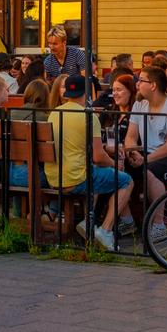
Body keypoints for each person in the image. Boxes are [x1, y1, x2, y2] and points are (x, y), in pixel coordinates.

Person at [44, 74, 133, 251]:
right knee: (126, 180)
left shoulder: (55, 113)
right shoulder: (88, 116)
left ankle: (89, 222)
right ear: (87, 92)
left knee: (99, 172)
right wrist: (115, 164)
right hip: (77, 178)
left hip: (54, 176)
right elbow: (98, 156)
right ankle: (106, 230)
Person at [124, 66, 167, 234]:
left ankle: (159, 224)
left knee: (149, 171)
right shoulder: (139, 104)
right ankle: (127, 219)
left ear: (153, 85)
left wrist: (145, 160)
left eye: (141, 80)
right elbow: (130, 136)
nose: (137, 84)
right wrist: (133, 152)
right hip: (145, 153)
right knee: (116, 166)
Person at [100, 73, 136, 155]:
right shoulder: (108, 110)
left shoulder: (136, 113)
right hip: (106, 158)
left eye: (119, 90)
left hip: (129, 159)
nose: (114, 93)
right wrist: (105, 147)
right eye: (113, 90)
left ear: (130, 91)